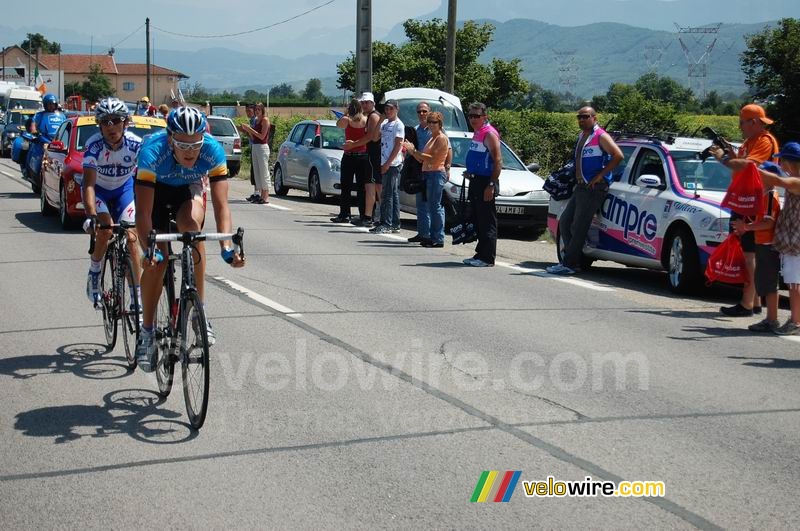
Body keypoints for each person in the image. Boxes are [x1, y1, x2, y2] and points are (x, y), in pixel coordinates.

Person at [134, 107, 245, 371]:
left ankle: (199, 314)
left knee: (192, 230)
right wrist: (149, 249)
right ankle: (147, 331)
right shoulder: (152, 151)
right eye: (183, 143)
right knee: (157, 262)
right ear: (170, 138)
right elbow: (143, 212)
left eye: (195, 143)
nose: (190, 150)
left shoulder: (212, 150)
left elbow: (221, 206)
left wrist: (227, 247)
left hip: (187, 190)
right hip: (155, 194)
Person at [711, 103, 779, 317]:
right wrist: (731, 154)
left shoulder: (764, 141)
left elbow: (747, 166)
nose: (740, 126)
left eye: (742, 122)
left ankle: (747, 303)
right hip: (744, 199)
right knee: (747, 250)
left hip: (752, 201)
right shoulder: (751, 141)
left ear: (754, 122)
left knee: (750, 252)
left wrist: (723, 157)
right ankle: (754, 301)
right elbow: (741, 163)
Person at [547, 106, 623, 275]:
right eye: (579, 117)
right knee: (566, 222)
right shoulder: (582, 136)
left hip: (594, 187)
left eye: (586, 116)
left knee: (579, 226)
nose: (582, 119)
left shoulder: (601, 136)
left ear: (594, 118)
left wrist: (600, 176)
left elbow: (618, 155)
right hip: (581, 187)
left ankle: (570, 264)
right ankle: (573, 258)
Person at [82, 98, 143, 307]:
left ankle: (136, 295)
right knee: (105, 230)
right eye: (105, 122)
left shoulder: (135, 144)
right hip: (100, 191)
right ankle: (94, 273)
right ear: (99, 125)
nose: (111, 127)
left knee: (132, 239)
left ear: (125, 122)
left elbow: (148, 178)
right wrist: (91, 216)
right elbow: (88, 184)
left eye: (116, 120)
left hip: (124, 190)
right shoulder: (93, 146)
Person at [727, 162, 782, 332]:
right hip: (762, 242)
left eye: (762, 174)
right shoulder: (764, 194)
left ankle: (772, 320)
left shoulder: (770, 195)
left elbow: (768, 222)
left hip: (768, 243)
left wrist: (747, 227)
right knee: (765, 283)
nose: (757, 177)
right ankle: (768, 318)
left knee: (770, 284)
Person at [752, 143, 800, 335]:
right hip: (791, 238)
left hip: (795, 240)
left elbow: (777, 179)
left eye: (783, 160)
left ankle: (795, 322)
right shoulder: (792, 177)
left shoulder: (796, 181)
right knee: (792, 281)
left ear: (790, 161)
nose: (782, 164)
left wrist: (751, 167)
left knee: (794, 283)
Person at [462, 103, 503, 267]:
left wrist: (491, 184)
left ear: (485, 117)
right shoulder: (478, 132)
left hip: (486, 181)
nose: (473, 119)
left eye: (476, 116)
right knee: (478, 219)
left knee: (487, 220)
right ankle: (480, 254)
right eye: (470, 115)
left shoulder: (489, 133)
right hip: (476, 179)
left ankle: (487, 258)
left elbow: (498, 160)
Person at [403, 111, 451, 248]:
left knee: (435, 206)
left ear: (440, 124)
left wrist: (415, 151)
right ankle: (431, 236)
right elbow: (421, 159)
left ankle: (438, 237)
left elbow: (432, 158)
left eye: (434, 122)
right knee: (430, 206)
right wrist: (412, 151)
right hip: (428, 172)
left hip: (436, 173)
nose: (431, 125)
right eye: (429, 122)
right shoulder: (432, 138)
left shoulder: (441, 138)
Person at [344, 92, 382, 226]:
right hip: (370, 155)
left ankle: (373, 217)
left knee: (374, 187)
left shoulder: (373, 117)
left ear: (373, 103)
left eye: (367, 102)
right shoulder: (370, 116)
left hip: (374, 156)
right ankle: (368, 217)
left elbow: (371, 137)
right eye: (363, 102)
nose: (365, 104)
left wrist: (353, 144)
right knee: (369, 187)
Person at [370, 99, 404, 234]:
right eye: (386, 109)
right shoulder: (384, 123)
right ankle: (395, 223)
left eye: (391, 109)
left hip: (392, 163)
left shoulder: (398, 125)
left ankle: (387, 223)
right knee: (393, 194)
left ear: (396, 109)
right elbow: (374, 138)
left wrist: (388, 163)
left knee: (387, 194)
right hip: (384, 161)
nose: (388, 111)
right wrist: (380, 120)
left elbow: (398, 145)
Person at [333, 98, 369, 223]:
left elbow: (338, 125)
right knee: (361, 187)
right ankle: (363, 214)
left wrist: (345, 113)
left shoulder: (346, 119)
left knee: (346, 186)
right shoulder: (366, 120)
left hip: (349, 154)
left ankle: (344, 214)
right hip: (363, 155)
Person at [406, 102, 432, 243]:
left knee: (431, 204)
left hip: (432, 169)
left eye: (424, 111)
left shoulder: (435, 130)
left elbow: (448, 149)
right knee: (421, 203)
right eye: (419, 112)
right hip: (418, 170)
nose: (421, 114)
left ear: (429, 112)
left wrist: (447, 167)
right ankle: (422, 233)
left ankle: (431, 235)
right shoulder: (415, 130)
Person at [239, 102, 271, 204]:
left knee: (263, 171)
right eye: (256, 109)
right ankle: (260, 195)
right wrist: (247, 130)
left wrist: (250, 129)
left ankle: (265, 196)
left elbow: (262, 136)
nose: (257, 111)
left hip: (262, 147)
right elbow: (253, 137)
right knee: (257, 172)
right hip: (255, 146)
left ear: (262, 110)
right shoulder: (257, 120)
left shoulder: (265, 120)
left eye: (258, 110)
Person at [242, 105, 259, 202]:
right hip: (253, 147)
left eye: (249, 111)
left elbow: (253, 135)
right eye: (246, 111)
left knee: (256, 170)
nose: (247, 113)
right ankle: (256, 192)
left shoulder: (255, 120)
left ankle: (258, 193)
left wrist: (247, 130)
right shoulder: (252, 120)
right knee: (254, 170)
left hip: (256, 147)